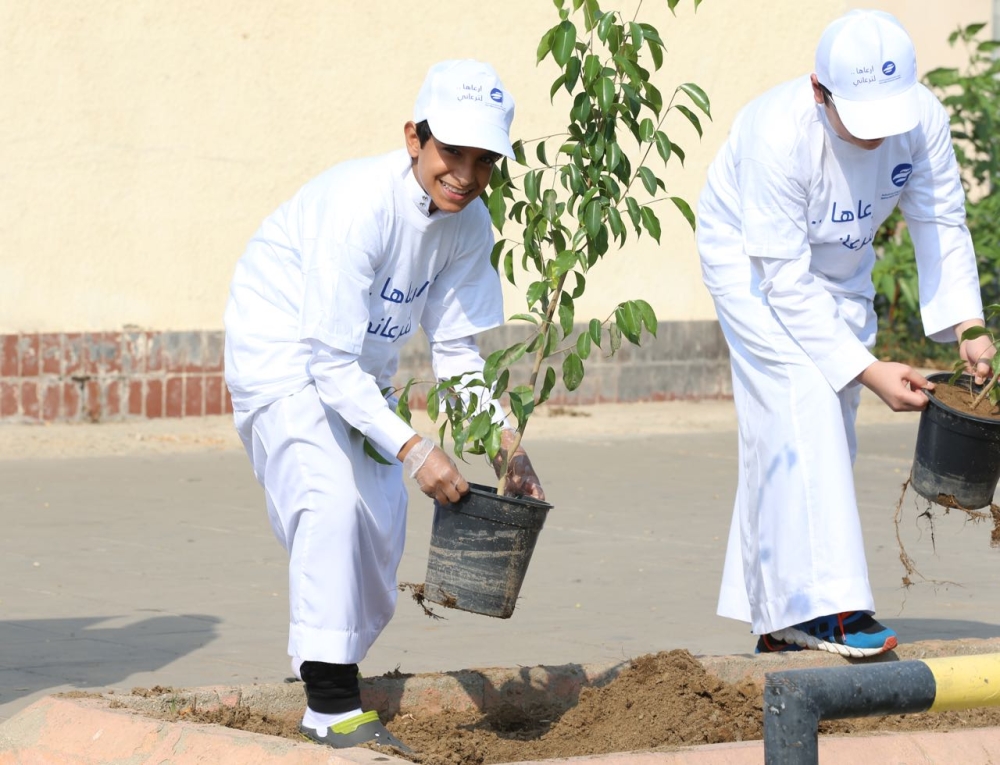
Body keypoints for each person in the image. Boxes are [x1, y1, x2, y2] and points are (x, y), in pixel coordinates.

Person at [223, 59, 545, 751]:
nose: (465, 171)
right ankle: (330, 702)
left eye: (483, 158)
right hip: (280, 347)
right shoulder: (358, 206)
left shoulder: (468, 225)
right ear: (413, 139)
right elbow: (324, 362)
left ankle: (332, 661)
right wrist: (413, 446)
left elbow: (458, 355)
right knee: (329, 500)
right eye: (450, 151)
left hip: (357, 362)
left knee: (378, 525)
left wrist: (508, 451)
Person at [696, 10, 994, 658]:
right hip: (751, 260)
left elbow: (939, 217)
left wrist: (966, 325)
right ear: (818, 90)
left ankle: (777, 610)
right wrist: (869, 367)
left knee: (817, 426)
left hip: (840, 265)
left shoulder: (923, 121)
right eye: (863, 118)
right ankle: (827, 606)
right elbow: (784, 280)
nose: (876, 136)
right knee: (803, 393)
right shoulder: (777, 130)